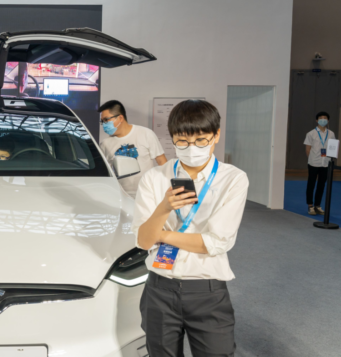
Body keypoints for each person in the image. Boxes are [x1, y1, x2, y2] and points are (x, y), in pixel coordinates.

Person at [132, 100, 249, 357]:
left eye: (201, 140)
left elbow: (217, 243)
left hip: (208, 290)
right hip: (159, 289)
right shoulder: (154, 178)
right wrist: (164, 207)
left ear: (216, 135)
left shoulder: (233, 179)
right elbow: (142, 241)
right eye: (182, 141)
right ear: (172, 138)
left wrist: (161, 234)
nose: (191, 148)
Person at [99, 100, 167, 197]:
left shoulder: (146, 134)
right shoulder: (105, 144)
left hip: (147, 194)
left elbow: (162, 162)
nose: (104, 124)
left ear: (120, 118)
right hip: (120, 197)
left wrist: (165, 186)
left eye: (106, 120)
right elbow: (105, 174)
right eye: (102, 121)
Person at [304, 111, 336, 215]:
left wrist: (331, 159)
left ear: (328, 120)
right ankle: (310, 205)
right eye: (321, 118)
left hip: (326, 163)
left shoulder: (331, 134)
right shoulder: (311, 133)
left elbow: (333, 148)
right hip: (314, 163)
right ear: (317, 120)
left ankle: (317, 205)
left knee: (321, 185)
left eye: (325, 118)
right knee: (311, 184)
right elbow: (308, 149)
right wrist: (312, 159)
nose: (323, 120)